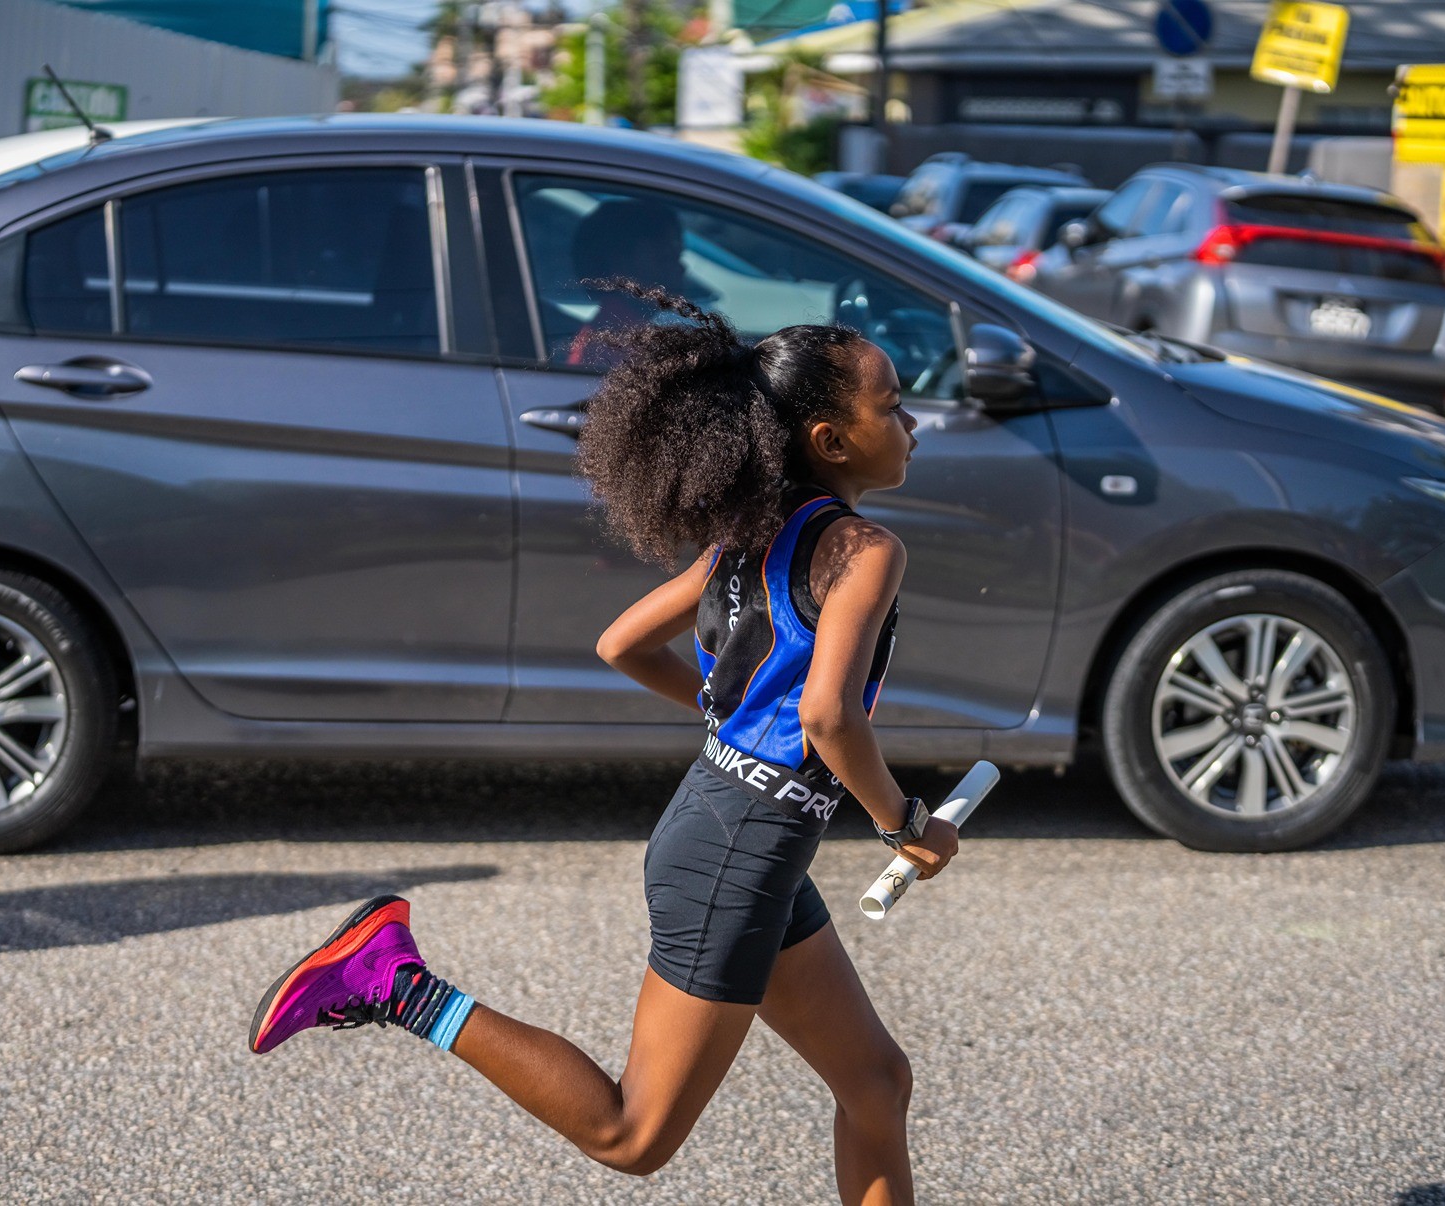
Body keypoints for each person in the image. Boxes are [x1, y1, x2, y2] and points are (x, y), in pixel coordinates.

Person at [247, 282, 957, 1206]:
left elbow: (622, 644)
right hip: (736, 854)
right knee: (633, 1135)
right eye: (891, 406)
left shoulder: (751, 534)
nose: (913, 423)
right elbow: (829, 716)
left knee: (876, 1083)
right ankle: (394, 982)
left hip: (730, 831)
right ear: (831, 440)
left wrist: (735, 721)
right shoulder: (865, 550)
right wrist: (905, 824)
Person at [563, 198, 687, 366]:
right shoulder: (618, 341)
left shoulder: (614, 329)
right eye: (664, 258)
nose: (681, 268)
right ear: (618, 264)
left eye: (677, 256)